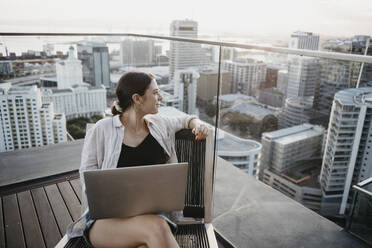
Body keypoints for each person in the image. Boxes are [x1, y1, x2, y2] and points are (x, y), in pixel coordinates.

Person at [66, 71, 209, 248]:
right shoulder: (102, 129)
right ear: (137, 98)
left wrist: (198, 125)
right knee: (157, 229)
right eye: (155, 92)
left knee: (149, 237)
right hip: (106, 220)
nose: (160, 97)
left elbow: (187, 120)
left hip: (154, 217)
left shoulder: (160, 124)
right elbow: (87, 175)